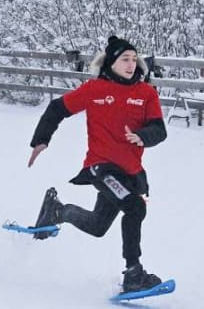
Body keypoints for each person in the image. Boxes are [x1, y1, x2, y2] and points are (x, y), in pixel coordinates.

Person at [28, 36, 167, 293]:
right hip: (100, 168)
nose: (131, 64)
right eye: (125, 59)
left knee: (97, 226)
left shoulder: (146, 93)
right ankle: (134, 274)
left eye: (134, 59)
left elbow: (159, 129)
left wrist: (143, 136)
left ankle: (58, 211)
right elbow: (57, 109)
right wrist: (41, 140)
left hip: (129, 173)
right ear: (112, 62)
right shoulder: (95, 90)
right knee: (135, 207)